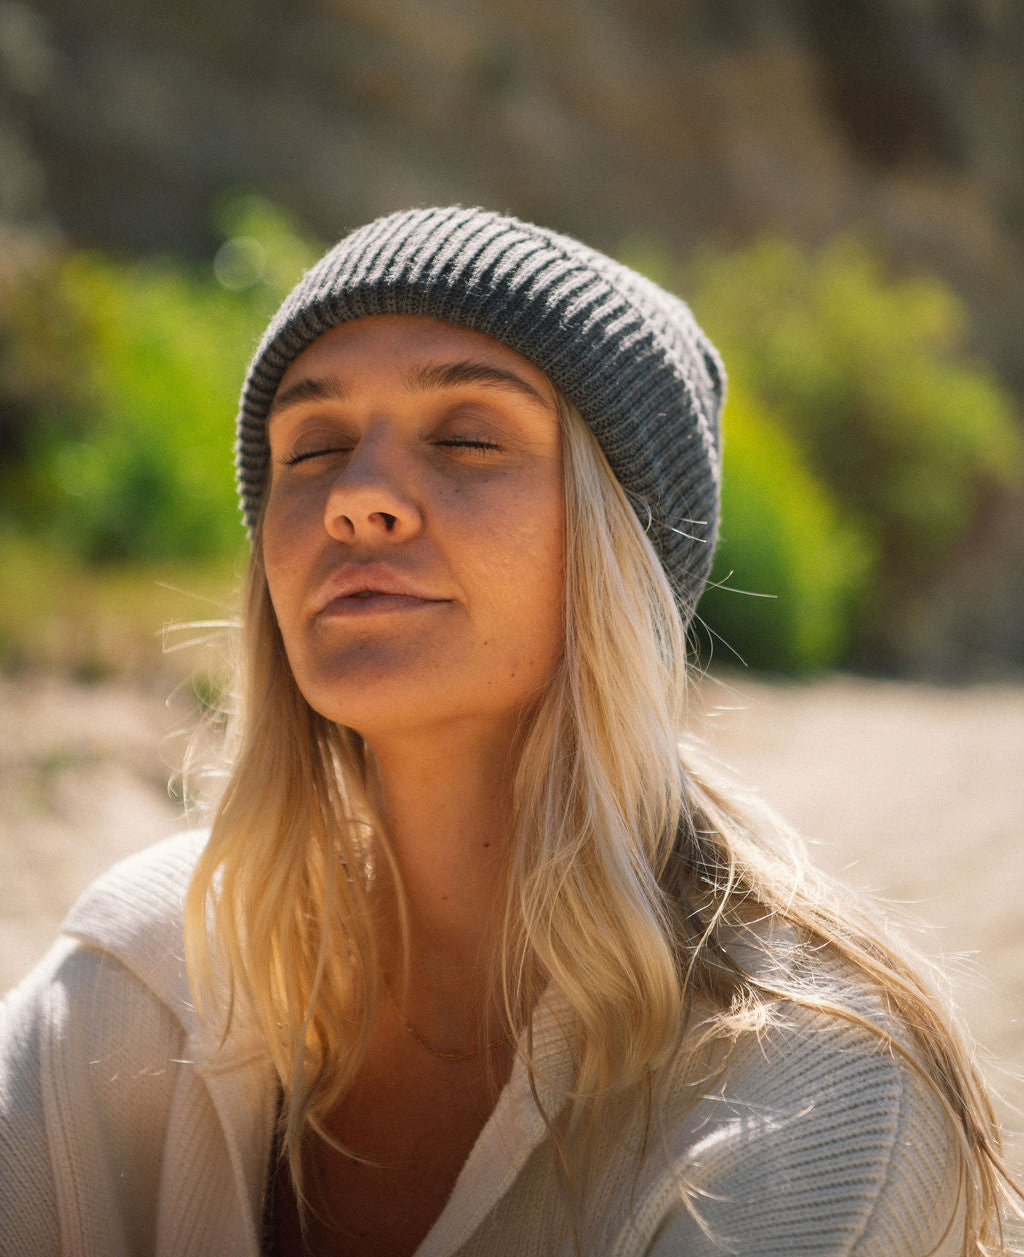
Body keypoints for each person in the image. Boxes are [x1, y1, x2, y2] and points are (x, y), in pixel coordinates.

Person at [0, 205, 1019, 1257]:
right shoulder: (144, 971)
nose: (357, 496)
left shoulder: (814, 1095)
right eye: (314, 447)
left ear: (621, 548)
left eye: (468, 439)